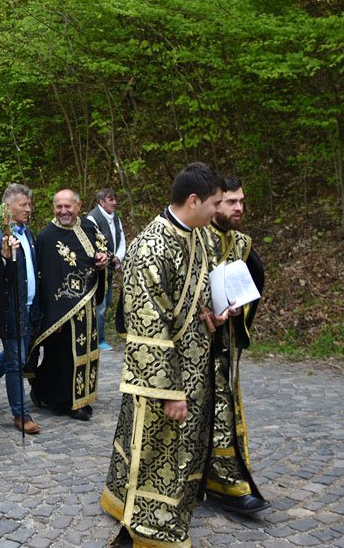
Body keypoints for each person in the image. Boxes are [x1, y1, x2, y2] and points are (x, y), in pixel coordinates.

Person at [101, 162, 231, 547]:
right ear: (194, 200)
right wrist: (169, 392)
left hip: (196, 366)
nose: (219, 211)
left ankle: (165, 513)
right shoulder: (150, 247)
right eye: (215, 203)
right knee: (157, 453)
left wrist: (213, 312)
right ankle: (147, 531)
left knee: (183, 451)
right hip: (164, 380)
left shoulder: (200, 235)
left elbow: (197, 293)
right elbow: (147, 326)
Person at [203, 177, 270, 517]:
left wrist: (241, 308)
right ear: (215, 203)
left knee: (224, 409)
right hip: (196, 344)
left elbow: (255, 277)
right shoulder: (196, 238)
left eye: (241, 200)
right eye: (231, 202)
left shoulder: (242, 243)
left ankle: (226, 480)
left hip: (226, 344)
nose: (239, 207)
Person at [26, 189, 109, 421]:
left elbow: (104, 254)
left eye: (68, 206)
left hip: (88, 307)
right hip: (61, 313)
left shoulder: (90, 228)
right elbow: (45, 279)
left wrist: (103, 260)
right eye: (58, 207)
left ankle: (82, 397)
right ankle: (63, 401)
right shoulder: (46, 237)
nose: (63, 211)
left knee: (87, 354)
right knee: (62, 358)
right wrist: (52, 315)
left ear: (79, 206)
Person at [0, 183, 41, 434]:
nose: (29, 209)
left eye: (29, 205)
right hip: (10, 310)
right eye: (23, 205)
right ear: (8, 208)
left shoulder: (28, 235)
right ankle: (20, 414)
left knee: (16, 356)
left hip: (28, 307)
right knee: (16, 363)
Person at [87, 188, 126, 351]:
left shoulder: (116, 218)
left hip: (111, 267)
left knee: (108, 301)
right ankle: (98, 339)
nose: (114, 203)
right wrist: (108, 258)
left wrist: (118, 257)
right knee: (100, 305)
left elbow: (122, 238)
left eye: (114, 199)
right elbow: (94, 243)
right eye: (111, 199)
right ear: (102, 202)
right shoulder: (92, 218)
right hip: (99, 269)